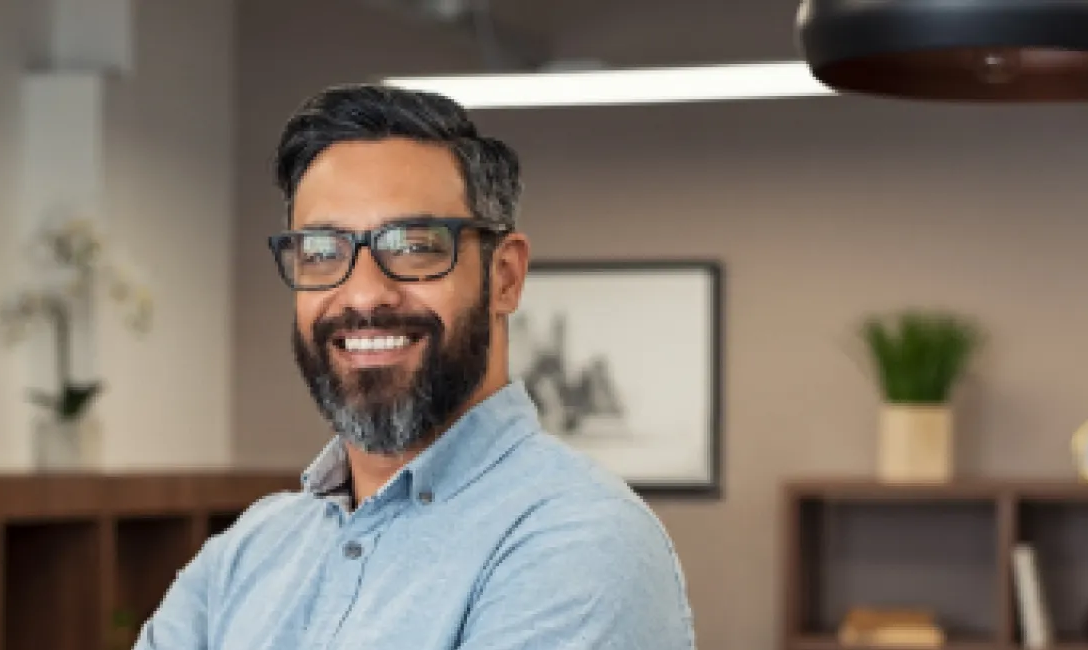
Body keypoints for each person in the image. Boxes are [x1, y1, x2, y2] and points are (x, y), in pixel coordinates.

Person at [134, 83, 697, 650]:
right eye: (323, 252)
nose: (363, 295)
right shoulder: (248, 552)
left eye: (413, 245)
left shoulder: (581, 539)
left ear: (504, 277)